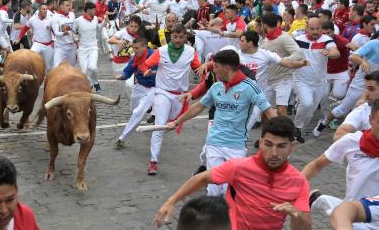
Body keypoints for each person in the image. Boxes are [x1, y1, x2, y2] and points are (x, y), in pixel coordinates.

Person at [154, 116, 311, 230]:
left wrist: (296, 215)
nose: (274, 153)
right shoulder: (239, 167)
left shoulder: (298, 182)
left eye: (281, 146)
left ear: (292, 146)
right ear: (261, 142)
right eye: (268, 144)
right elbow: (203, 179)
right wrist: (172, 200)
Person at [167, 48, 278, 195]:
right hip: (214, 142)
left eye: (216, 67)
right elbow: (199, 106)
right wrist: (177, 121)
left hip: (236, 145)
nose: (214, 71)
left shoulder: (250, 87)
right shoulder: (216, 87)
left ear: (227, 68)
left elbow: (269, 111)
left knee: (230, 190)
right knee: (213, 188)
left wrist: (283, 134)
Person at [301, 99, 379, 229]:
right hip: (353, 216)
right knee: (341, 212)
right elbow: (317, 165)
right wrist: (293, 188)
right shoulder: (352, 142)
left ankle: (319, 200)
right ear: (370, 119)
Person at [139, 24, 201, 175]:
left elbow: (198, 69)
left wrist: (207, 70)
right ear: (170, 36)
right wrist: (146, 71)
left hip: (180, 97)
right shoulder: (161, 51)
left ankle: (164, 127)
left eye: (181, 37)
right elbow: (144, 65)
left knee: (170, 124)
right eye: (175, 37)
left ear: (186, 37)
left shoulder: (190, 52)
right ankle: (153, 162)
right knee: (160, 126)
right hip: (163, 93)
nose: (178, 40)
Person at [314, 39, 379, 137]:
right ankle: (324, 122)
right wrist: (362, 62)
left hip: (376, 84)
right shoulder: (373, 44)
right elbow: (353, 56)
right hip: (360, 83)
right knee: (343, 109)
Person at [293, 16, 340, 143]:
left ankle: (299, 132)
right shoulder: (298, 39)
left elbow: (336, 52)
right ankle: (296, 127)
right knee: (306, 103)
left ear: (321, 27)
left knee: (310, 112)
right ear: (306, 28)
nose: (315, 32)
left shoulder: (327, 40)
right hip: (301, 80)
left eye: (318, 28)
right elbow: (289, 52)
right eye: (312, 29)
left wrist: (331, 53)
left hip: (319, 83)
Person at [114, 38, 156, 148]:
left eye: (137, 48)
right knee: (133, 110)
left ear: (145, 46)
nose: (134, 50)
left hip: (153, 88)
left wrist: (153, 73)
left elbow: (163, 70)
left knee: (138, 112)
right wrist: (123, 76)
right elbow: (129, 69)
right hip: (139, 87)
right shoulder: (135, 57)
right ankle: (148, 107)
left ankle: (121, 138)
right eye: (133, 47)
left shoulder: (154, 56)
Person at [261, 13, 303, 118]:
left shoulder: (284, 37)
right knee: (264, 111)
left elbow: (298, 53)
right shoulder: (267, 39)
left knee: (281, 110)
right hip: (269, 79)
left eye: (262, 25)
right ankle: (267, 133)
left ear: (264, 25)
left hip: (284, 79)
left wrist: (281, 61)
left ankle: (286, 134)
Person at [333, 71, 379, 141]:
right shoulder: (362, 110)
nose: (366, 94)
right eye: (366, 89)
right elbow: (339, 135)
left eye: (371, 89)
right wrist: (367, 145)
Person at [74, 2, 108, 93]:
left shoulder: (95, 19)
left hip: (93, 47)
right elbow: (74, 31)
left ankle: (96, 83)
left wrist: (104, 23)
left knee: (93, 67)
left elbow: (98, 30)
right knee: (84, 71)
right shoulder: (78, 20)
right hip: (82, 49)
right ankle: (89, 85)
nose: (95, 11)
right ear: (88, 10)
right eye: (94, 9)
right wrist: (75, 37)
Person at [108, 15, 141, 98]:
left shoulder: (139, 36)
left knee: (130, 85)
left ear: (139, 27)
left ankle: (138, 106)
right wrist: (118, 42)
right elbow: (110, 40)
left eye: (135, 27)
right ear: (128, 25)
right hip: (118, 65)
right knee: (126, 88)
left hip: (131, 64)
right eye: (131, 26)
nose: (133, 28)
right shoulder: (122, 32)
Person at [16, 3, 54, 73]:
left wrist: (55, 41)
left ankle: (46, 80)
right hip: (37, 44)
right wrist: (19, 38)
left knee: (48, 68)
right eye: (43, 9)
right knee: (30, 57)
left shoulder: (51, 19)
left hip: (48, 45)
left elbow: (55, 31)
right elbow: (25, 28)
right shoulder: (33, 19)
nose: (45, 11)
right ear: (39, 9)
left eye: (46, 9)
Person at [51, 0, 76, 67]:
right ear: (61, 6)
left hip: (72, 46)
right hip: (60, 46)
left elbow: (74, 28)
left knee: (71, 67)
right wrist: (63, 34)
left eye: (69, 5)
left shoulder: (72, 15)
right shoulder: (55, 17)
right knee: (56, 66)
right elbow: (56, 33)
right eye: (67, 5)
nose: (69, 7)